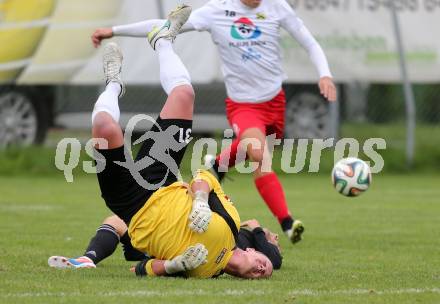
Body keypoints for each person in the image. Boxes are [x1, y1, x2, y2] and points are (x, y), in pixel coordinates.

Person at [91, 0, 338, 245]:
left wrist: (324, 74)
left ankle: (217, 165)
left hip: (275, 101)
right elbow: (164, 26)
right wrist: (113, 30)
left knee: (252, 150)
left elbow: (309, 42)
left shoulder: (276, 6)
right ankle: (287, 222)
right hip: (244, 106)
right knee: (259, 155)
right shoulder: (217, 11)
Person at [57, 4, 273, 279]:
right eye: (263, 264)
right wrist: (200, 202)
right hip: (163, 180)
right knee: (184, 95)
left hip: (131, 205)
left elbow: (142, 268)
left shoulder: (205, 272)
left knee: (104, 127)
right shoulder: (231, 227)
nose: (260, 270)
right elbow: (206, 177)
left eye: (258, 276)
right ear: (254, 251)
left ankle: (113, 83)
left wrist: (175, 265)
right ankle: (162, 40)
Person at [48, 216, 282, 271]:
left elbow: (276, 259)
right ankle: (87, 259)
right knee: (116, 221)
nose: (276, 239)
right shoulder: (239, 236)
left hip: (175, 248)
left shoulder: (256, 249)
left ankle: (89, 258)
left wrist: (260, 229)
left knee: (117, 222)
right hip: (172, 240)